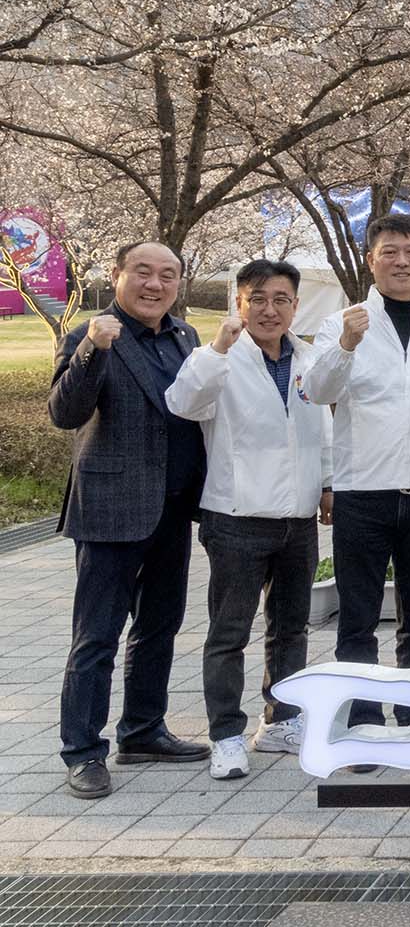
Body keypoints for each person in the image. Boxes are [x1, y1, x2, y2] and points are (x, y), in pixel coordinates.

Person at [49, 242, 211, 798]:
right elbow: (64, 413)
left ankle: (143, 730)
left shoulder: (184, 335)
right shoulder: (92, 333)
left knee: (160, 626)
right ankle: (82, 750)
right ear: (117, 276)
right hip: (111, 510)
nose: (154, 284)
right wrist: (91, 350)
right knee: (96, 636)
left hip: (172, 509)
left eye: (168, 275)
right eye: (142, 272)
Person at [300, 214, 410, 736]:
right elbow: (318, 390)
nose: (402, 261)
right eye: (390, 251)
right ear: (371, 259)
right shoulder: (344, 322)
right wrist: (345, 344)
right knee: (359, 617)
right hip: (362, 495)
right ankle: (363, 719)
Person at [165, 260, 324, 781]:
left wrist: (325, 486)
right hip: (237, 516)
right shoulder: (219, 360)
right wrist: (216, 349)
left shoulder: (307, 357)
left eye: (281, 299)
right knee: (229, 632)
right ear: (239, 303)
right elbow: (182, 402)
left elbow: (320, 428)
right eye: (258, 298)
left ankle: (280, 720)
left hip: (297, 517)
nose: (269, 309)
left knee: (290, 629)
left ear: (295, 306)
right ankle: (226, 735)